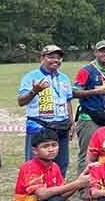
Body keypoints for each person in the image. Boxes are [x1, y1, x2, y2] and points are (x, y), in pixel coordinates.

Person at [18, 44, 75, 176]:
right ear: (42, 58)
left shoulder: (64, 78)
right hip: (39, 125)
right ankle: (35, 193)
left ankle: (58, 193)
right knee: (36, 163)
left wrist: (72, 123)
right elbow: (21, 101)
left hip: (62, 126)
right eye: (51, 57)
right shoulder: (31, 76)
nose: (56, 60)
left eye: (59, 58)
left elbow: (68, 101)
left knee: (62, 162)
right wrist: (34, 91)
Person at [72, 40, 105, 175]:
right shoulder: (86, 70)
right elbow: (74, 92)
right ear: (95, 52)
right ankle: (84, 189)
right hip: (89, 117)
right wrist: (95, 92)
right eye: (102, 50)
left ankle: (102, 183)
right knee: (87, 154)